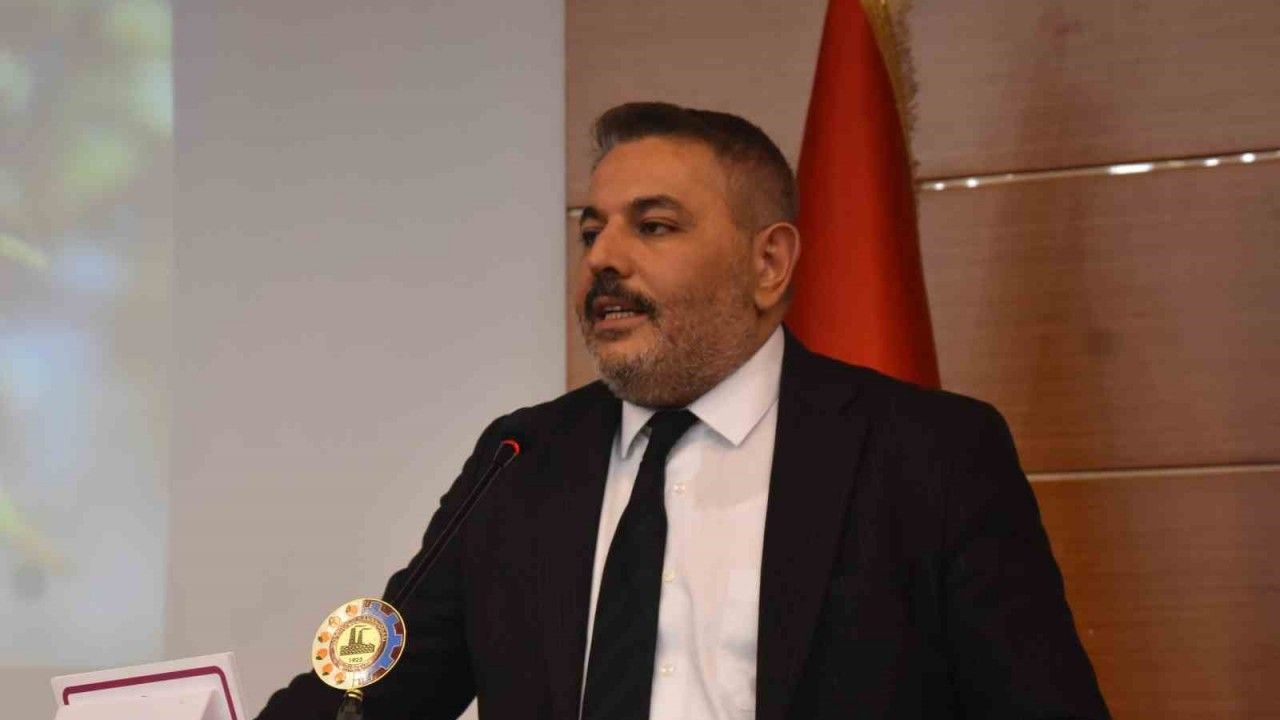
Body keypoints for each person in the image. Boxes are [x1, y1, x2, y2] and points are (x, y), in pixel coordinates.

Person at [258, 102, 1109, 719]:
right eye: (590, 231)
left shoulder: (928, 454)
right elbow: (379, 687)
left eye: (654, 227)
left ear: (768, 264)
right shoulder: (521, 458)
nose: (604, 258)